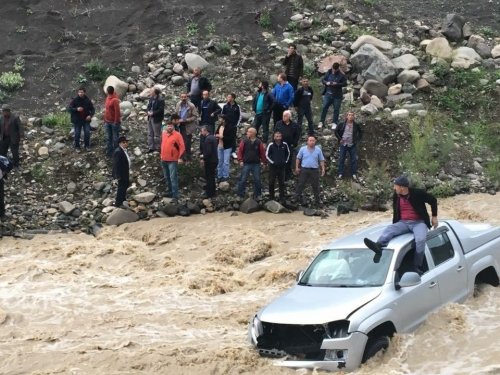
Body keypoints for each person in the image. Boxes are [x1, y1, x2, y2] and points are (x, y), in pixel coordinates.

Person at [364, 176, 438, 274]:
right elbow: (396, 212)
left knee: (420, 240)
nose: (394, 188)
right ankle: (378, 246)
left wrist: (434, 216)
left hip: (418, 222)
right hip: (404, 222)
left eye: (396, 186)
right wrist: (395, 224)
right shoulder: (396, 196)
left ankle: (416, 266)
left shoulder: (417, 193)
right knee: (390, 229)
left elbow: (433, 200)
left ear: (402, 187)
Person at [294, 135, 326, 207]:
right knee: (301, 184)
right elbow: (298, 158)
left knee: (315, 186)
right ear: (307, 142)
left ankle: (317, 201)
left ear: (315, 142)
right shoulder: (303, 149)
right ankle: (295, 198)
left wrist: (323, 169)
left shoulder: (318, 150)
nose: (312, 142)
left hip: (314, 170)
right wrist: (296, 167)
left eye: (313, 141)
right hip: (304, 169)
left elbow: (321, 160)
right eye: (310, 140)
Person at [236, 127, 266, 199]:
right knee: (243, 179)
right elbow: (240, 151)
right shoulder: (244, 141)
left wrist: (264, 162)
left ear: (253, 133)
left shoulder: (258, 142)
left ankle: (258, 194)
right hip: (246, 163)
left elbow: (262, 152)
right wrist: (240, 160)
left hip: (256, 164)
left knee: (257, 179)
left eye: (249, 132)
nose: (247, 133)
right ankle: (240, 194)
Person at [160, 115, 185, 199]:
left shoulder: (178, 135)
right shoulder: (164, 134)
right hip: (164, 159)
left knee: (173, 178)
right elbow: (162, 144)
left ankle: (175, 195)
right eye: (168, 126)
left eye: (171, 126)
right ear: (166, 127)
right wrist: (161, 155)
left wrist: (180, 157)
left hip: (172, 160)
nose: (169, 127)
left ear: (173, 127)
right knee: (167, 177)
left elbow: (182, 147)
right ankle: (170, 192)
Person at [335, 111, 363, 180]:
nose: (350, 116)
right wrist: (340, 139)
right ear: (347, 116)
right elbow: (336, 131)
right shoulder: (342, 124)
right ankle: (340, 173)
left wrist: (357, 140)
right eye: (349, 115)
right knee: (342, 158)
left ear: (354, 117)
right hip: (343, 144)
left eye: (352, 115)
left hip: (352, 144)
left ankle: (353, 173)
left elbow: (360, 132)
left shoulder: (356, 125)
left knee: (353, 159)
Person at [273, 110, 300, 180]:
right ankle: (278, 176)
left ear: (289, 117)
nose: (283, 117)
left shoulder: (294, 125)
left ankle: (287, 176)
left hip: (289, 146)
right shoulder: (278, 123)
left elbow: (297, 135)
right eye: (283, 115)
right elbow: (275, 133)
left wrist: (294, 144)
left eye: (285, 116)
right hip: (280, 145)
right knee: (279, 160)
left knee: (288, 160)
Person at [319, 62, 347, 130]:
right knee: (324, 107)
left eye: (335, 70)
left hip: (337, 95)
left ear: (338, 69)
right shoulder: (328, 72)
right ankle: (321, 122)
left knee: (336, 109)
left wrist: (337, 84)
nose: (334, 71)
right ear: (332, 67)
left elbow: (345, 84)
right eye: (333, 69)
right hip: (328, 94)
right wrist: (326, 83)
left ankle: (334, 123)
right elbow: (323, 80)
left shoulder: (341, 75)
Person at [67, 87, 95, 152]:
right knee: (77, 133)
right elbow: (69, 109)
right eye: (79, 92)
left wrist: (90, 116)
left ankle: (87, 146)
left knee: (87, 132)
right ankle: (77, 147)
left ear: (84, 93)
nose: (80, 93)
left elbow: (92, 109)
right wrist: (76, 109)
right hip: (77, 120)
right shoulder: (74, 100)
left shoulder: (87, 100)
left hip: (86, 120)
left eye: (82, 92)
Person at [266, 131, 290, 202]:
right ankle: (271, 197)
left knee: (282, 182)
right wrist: (272, 162)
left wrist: (285, 161)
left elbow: (288, 153)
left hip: (282, 167)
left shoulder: (285, 144)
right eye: (277, 136)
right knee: (271, 182)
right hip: (273, 167)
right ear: (274, 137)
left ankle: (282, 197)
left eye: (279, 136)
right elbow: (267, 155)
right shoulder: (271, 145)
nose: (278, 138)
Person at [175, 93, 198, 162]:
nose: (183, 98)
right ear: (180, 97)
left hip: (188, 126)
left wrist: (185, 120)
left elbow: (195, 116)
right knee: (180, 141)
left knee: (187, 142)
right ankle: (182, 156)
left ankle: (188, 157)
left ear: (187, 97)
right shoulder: (178, 104)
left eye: (185, 97)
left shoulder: (191, 105)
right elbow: (176, 113)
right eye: (182, 97)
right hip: (179, 125)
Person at [199, 125, 218, 198]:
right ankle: (213, 192)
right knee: (212, 177)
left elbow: (208, 151)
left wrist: (203, 157)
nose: (201, 132)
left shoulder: (208, 139)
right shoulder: (213, 137)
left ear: (205, 130)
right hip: (214, 160)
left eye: (202, 130)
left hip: (210, 161)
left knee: (209, 177)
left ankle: (209, 193)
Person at [112, 136, 131, 208]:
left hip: (125, 172)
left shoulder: (123, 150)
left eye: (126, 142)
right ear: (120, 143)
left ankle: (123, 199)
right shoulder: (118, 151)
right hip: (121, 173)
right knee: (121, 187)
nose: (126, 143)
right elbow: (116, 165)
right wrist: (117, 176)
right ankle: (118, 202)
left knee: (125, 185)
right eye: (124, 142)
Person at [221, 93, 241, 158]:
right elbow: (222, 115)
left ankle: (233, 152)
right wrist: (223, 124)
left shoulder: (237, 107)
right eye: (227, 97)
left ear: (233, 98)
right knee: (224, 138)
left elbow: (239, 116)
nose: (228, 98)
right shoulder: (225, 106)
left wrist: (236, 125)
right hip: (226, 126)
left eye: (229, 97)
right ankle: (225, 151)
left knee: (233, 139)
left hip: (233, 126)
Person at [215, 114, 234, 182]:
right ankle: (219, 175)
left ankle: (225, 176)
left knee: (226, 162)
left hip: (227, 147)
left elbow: (231, 138)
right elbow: (216, 132)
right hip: (220, 146)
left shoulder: (230, 127)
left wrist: (222, 137)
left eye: (220, 118)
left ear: (224, 120)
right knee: (220, 161)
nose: (219, 120)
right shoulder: (220, 126)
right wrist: (217, 136)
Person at [146, 87, 165, 153]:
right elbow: (149, 106)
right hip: (150, 117)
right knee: (150, 133)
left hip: (156, 118)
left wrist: (153, 113)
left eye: (151, 91)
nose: (150, 92)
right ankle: (151, 147)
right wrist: (148, 111)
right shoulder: (151, 98)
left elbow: (161, 110)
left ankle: (158, 147)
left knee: (157, 134)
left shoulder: (161, 100)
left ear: (155, 92)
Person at [104, 86, 121, 157]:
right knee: (109, 137)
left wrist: (116, 122)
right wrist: (105, 119)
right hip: (107, 121)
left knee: (115, 137)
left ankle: (116, 151)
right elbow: (107, 109)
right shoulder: (108, 98)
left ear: (108, 92)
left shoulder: (115, 100)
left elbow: (117, 112)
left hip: (113, 122)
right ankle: (109, 151)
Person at [0, 155, 13, 225]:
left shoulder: (1, 159)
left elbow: (9, 163)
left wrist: (5, 171)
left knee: (0, 198)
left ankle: (2, 215)